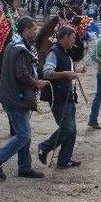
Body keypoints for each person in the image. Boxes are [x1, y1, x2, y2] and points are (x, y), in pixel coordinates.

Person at [0, 16, 48, 180]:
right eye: (34, 29)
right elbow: (21, 74)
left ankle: (24, 167)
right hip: (16, 98)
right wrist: (36, 83)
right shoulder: (20, 49)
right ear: (26, 30)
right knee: (24, 134)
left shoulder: (15, 45)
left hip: (11, 95)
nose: (36, 32)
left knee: (23, 132)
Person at [37, 26, 85, 169]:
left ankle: (64, 160)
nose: (74, 40)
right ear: (64, 37)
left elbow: (64, 70)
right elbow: (47, 73)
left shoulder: (64, 52)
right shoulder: (54, 52)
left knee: (72, 130)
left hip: (68, 96)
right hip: (58, 98)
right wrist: (66, 74)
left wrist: (75, 70)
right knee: (67, 128)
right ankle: (44, 147)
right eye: (73, 37)